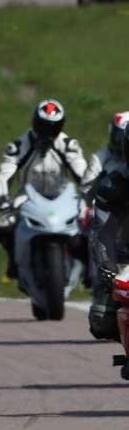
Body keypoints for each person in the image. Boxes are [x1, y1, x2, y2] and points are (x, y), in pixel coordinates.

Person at [0, 99, 87, 278]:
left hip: (62, 197)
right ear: (35, 123)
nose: (47, 132)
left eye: (53, 127)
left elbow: (82, 171)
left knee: (89, 223)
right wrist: (2, 197)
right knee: (2, 226)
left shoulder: (67, 144)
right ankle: (14, 260)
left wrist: (91, 193)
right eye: (43, 126)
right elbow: (3, 175)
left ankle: (89, 269)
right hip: (27, 198)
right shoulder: (18, 146)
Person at [88, 121, 129, 341]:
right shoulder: (113, 184)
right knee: (101, 320)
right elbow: (103, 232)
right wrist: (107, 266)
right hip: (125, 259)